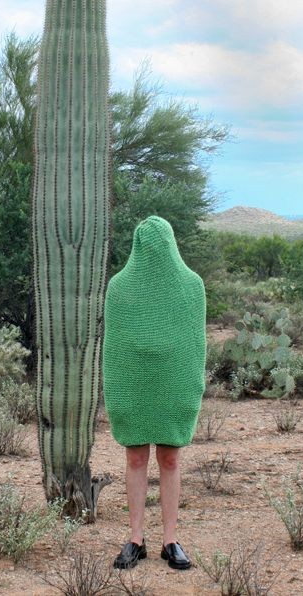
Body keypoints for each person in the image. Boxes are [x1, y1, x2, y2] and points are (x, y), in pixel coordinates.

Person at [102, 216, 207, 570]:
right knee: (135, 458)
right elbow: (114, 347)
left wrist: (192, 386)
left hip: (172, 382)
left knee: (170, 458)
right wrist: (116, 390)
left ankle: (170, 540)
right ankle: (136, 539)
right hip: (134, 383)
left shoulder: (191, 286)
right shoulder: (119, 288)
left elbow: (195, 344)